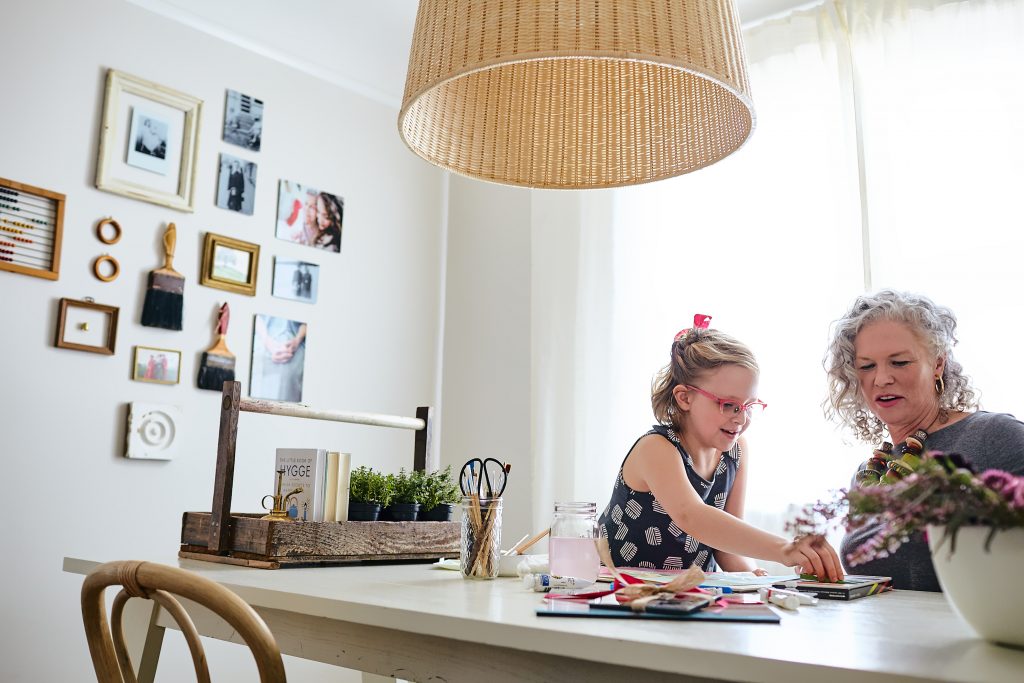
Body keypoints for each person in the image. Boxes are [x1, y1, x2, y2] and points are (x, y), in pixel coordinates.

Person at [599, 316, 843, 579]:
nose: (741, 418)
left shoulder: (735, 452)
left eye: (748, 406)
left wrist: (758, 580)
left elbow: (725, 546)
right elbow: (692, 516)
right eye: (729, 404)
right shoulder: (656, 448)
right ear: (685, 398)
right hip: (624, 595)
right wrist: (784, 549)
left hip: (691, 598)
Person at [824, 289, 1024, 591]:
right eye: (867, 366)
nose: (881, 379)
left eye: (900, 362)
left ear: (938, 364)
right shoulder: (869, 473)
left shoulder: (995, 437)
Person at [252, 315, 307, 402]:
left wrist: (297, 340)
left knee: (290, 374)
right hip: (262, 337)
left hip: (296, 343)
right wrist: (267, 341)